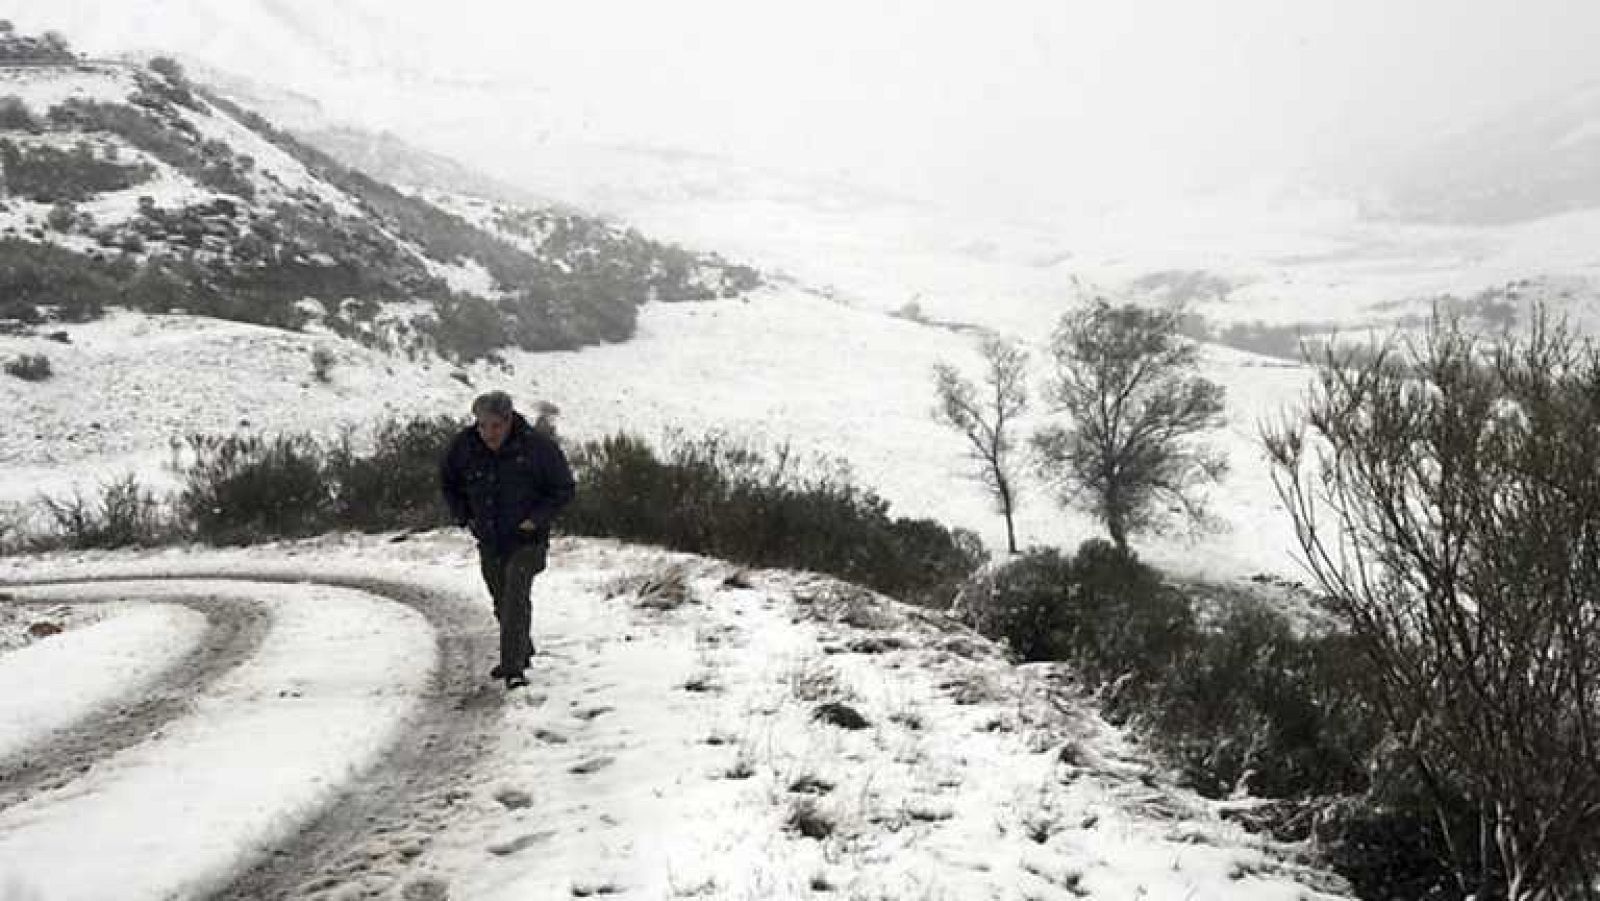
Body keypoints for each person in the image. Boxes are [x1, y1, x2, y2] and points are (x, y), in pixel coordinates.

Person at [440, 391, 576, 689]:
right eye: (482, 425)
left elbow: (564, 489)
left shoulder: (538, 448)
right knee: (501, 599)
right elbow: (448, 482)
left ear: (510, 420)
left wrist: (536, 519)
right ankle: (520, 647)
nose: (488, 433)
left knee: (515, 591)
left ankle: (513, 668)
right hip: (489, 539)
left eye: (495, 426)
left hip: (528, 540)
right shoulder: (464, 446)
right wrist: (465, 517)